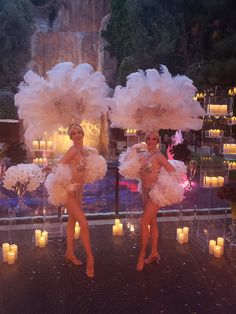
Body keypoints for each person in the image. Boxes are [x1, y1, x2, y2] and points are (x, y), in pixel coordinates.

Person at [45, 123, 107, 278]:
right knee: (83, 223)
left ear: (83, 134)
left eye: (79, 132)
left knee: (72, 222)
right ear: (71, 137)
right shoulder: (72, 151)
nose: (77, 135)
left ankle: (70, 253)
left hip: (79, 191)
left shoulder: (84, 151)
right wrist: (67, 184)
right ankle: (90, 258)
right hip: (69, 192)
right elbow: (59, 167)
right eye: (73, 133)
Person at [119, 129, 186, 272]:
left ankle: (142, 254)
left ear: (157, 142)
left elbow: (172, 171)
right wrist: (134, 148)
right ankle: (154, 252)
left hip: (156, 193)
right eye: (148, 139)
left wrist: (163, 185)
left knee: (143, 222)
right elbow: (125, 164)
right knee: (152, 221)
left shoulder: (159, 156)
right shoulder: (142, 155)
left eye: (153, 139)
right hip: (145, 191)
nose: (150, 141)